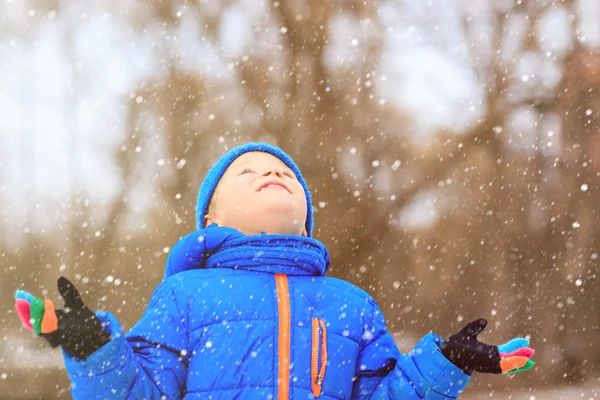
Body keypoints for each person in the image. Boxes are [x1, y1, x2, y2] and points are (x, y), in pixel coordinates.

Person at [15, 143, 535, 399]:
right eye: (248, 172)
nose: (269, 172)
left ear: (306, 220)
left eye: (283, 173)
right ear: (211, 218)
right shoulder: (186, 296)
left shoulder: (351, 304)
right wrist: (95, 350)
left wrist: (442, 366)